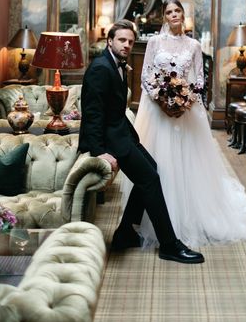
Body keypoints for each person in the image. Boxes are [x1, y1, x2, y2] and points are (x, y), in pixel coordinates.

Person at [122, 0, 246, 249]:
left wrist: (184, 101)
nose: (173, 15)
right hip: (157, 111)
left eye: (177, 11)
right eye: (169, 12)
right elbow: (145, 75)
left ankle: (189, 212)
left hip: (185, 111)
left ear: (183, 14)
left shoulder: (193, 45)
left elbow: (200, 80)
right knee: (156, 160)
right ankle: (154, 214)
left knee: (186, 160)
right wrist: (160, 99)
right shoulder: (155, 43)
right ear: (165, 18)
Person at [78, 19, 204, 264]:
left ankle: (125, 232)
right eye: (121, 40)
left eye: (130, 42)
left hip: (122, 135)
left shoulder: (117, 64)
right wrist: (99, 151)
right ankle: (169, 244)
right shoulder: (100, 68)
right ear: (110, 41)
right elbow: (92, 113)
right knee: (151, 178)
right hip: (111, 141)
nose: (126, 45)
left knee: (151, 170)